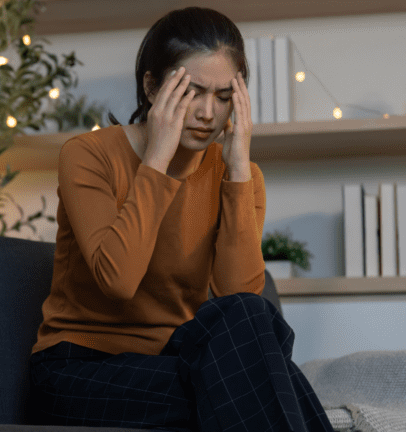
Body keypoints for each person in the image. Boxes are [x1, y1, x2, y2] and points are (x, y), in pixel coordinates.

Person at [29, 7, 333, 432]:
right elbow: (118, 281)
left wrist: (239, 170)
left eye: (224, 97)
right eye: (193, 92)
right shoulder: (88, 155)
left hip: (177, 360)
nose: (208, 113)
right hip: (80, 371)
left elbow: (237, 296)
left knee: (246, 329)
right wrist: (156, 160)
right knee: (255, 386)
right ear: (152, 87)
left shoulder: (241, 176)